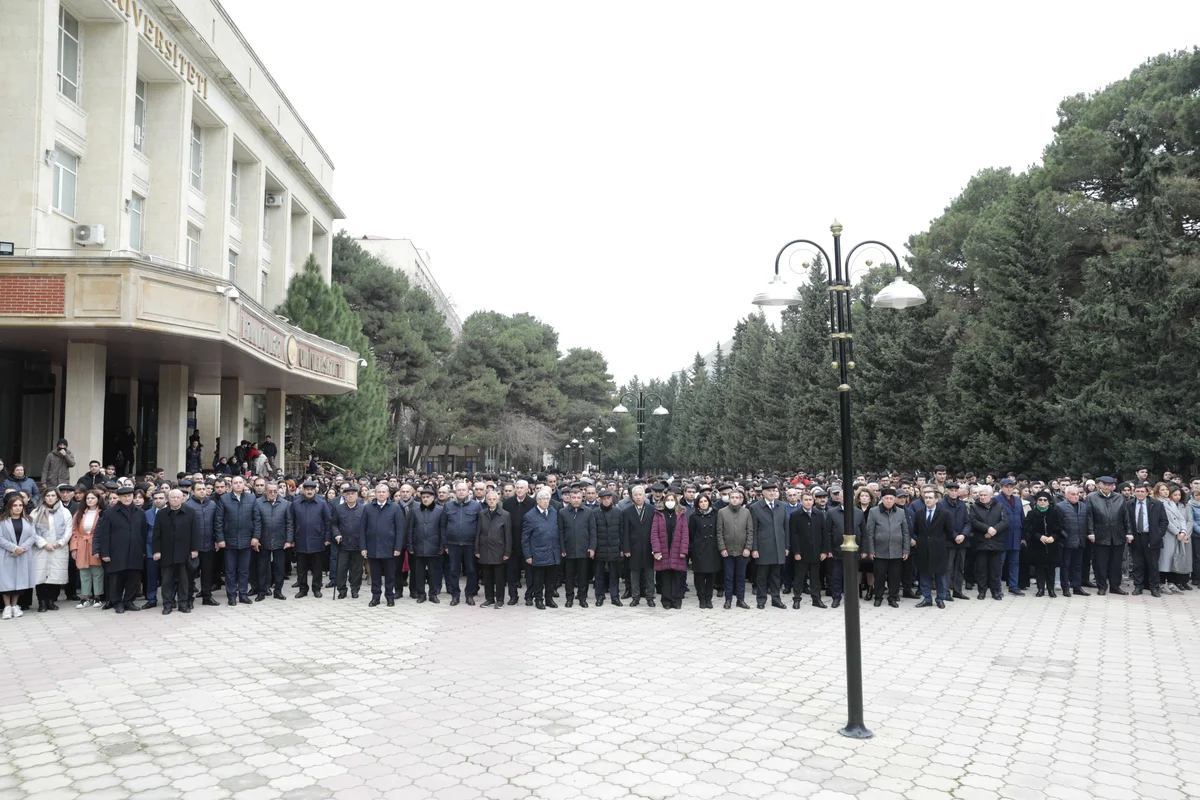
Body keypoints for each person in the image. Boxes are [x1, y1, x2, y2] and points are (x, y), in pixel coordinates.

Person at [94, 486, 148, 614]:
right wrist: (105, 553)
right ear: (119, 497)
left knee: (133, 578)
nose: (127, 498)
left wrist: (143, 549)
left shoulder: (140, 513)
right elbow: (104, 534)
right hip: (116, 552)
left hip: (135, 550)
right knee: (116, 579)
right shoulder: (109, 513)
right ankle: (117, 602)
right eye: (124, 496)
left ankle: (128, 601)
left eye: (129, 496)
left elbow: (143, 532)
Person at [152, 489, 199, 615]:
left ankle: (183, 603)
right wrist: (156, 551)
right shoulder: (161, 514)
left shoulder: (190, 512)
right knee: (166, 581)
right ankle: (167, 604)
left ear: (183, 499)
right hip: (166, 552)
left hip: (184, 553)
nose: (176, 499)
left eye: (179, 497)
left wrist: (194, 549)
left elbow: (195, 532)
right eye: (173, 497)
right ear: (168, 499)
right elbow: (156, 534)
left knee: (184, 580)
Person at [863, 488, 910, 608]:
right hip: (879, 550)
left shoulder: (900, 512)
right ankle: (878, 597)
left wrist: (906, 549)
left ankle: (892, 597)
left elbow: (905, 532)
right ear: (881, 499)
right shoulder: (874, 512)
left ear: (894, 500)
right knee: (879, 576)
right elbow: (869, 532)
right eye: (886, 498)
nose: (889, 501)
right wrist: (871, 550)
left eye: (891, 498)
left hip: (896, 550)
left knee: (895, 576)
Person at [214, 475, 256, 606]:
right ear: (231, 485)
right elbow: (218, 521)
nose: (238, 485)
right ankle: (231, 596)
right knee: (230, 571)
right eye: (235, 483)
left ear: (244, 484)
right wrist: (220, 539)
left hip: (246, 540)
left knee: (244, 570)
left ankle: (243, 595)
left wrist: (255, 537)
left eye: (240, 482)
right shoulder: (224, 499)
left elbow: (257, 520)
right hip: (229, 541)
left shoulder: (251, 498)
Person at [360, 483, 404, 607]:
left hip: (390, 548)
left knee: (390, 575)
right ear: (375, 494)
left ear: (388, 494)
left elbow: (400, 530)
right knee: (375, 575)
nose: (381, 494)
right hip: (372, 547)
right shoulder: (368, 507)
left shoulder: (395, 507)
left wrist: (397, 547)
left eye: (383, 492)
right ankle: (375, 597)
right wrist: (363, 547)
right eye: (378, 492)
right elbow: (362, 529)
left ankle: (390, 596)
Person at [1088, 476, 1132, 595]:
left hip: (1118, 535)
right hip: (1100, 534)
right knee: (1100, 563)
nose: (1107, 487)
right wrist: (1090, 532)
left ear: (1113, 486)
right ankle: (1102, 587)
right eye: (1105, 484)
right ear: (1099, 485)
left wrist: (1129, 532)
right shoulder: (1092, 497)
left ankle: (1115, 586)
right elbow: (1089, 517)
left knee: (1116, 563)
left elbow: (1126, 517)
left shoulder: (1119, 498)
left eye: (1110, 485)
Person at [30, 488, 72, 612]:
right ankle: (42, 602)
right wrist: (43, 544)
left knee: (55, 575)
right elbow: (32, 531)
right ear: (44, 497)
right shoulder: (36, 512)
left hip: (58, 548)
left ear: (57, 497)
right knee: (40, 575)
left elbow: (68, 530)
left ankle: (51, 601)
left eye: (53, 495)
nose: (50, 498)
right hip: (41, 548)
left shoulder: (65, 512)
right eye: (48, 495)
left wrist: (59, 543)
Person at [749, 481, 788, 610]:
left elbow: (785, 527)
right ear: (763, 493)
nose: (772, 493)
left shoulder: (782, 506)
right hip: (763, 547)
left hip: (778, 546)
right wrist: (754, 548)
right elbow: (753, 530)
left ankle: (776, 599)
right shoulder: (755, 507)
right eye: (769, 491)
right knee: (762, 576)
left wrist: (786, 546)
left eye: (774, 491)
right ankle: (761, 599)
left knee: (776, 576)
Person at [443, 480, 481, 606]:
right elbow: (443, 526)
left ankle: (469, 595)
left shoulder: (475, 505)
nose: (461, 492)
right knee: (453, 571)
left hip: (470, 544)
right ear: (455, 491)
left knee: (471, 570)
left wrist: (477, 546)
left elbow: (480, 526)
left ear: (468, 491)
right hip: (453, 544)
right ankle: (455, 595)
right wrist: (445, 544)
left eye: (463, 490)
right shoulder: (448, 506)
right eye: (458, 490)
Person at [913, 487, 953, 608]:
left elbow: (949, 532)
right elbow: (915, 530)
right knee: (924, 574)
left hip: (939, 549)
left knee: (940, 576)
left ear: (936, 500)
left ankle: (940, 598)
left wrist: (938, 542)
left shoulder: (945, 514)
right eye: (926, 498)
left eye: (930, 498)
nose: (928, 500)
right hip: (923, 549)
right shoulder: (919, 513)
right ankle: (927, 598)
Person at [290, 480, 331, 599]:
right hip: (300, 539)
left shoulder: (322, 503)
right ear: (303, 490)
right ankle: (303, 589)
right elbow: (291, 522)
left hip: (317, 539)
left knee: (317, 567)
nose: (309, 491)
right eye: (307, 489)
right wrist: (291, 538)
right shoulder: (296, 503)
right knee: (301, 567)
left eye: (311, 489)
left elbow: (328, 522)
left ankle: (316, 588)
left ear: (315, 490)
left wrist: (327, 538)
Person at [788, 491, 829, 609]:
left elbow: (824, 533)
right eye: (806, 500)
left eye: (810, 500)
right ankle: (796, 599)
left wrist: (824, 551)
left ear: (814, 501)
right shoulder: (795, 515)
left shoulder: (819, 514)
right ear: (801, 501)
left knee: (815, 578)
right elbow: (793, 535)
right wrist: (796, 552)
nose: (808, 502)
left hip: (816, 552)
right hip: (802, 553)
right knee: (799, 578)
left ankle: (816, 599)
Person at [253, 481, 292, 601]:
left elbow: (289, 524)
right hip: (263, 541)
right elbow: (256, 522)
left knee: (279, 568)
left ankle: (278, 591)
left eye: (275, 491)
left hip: (280, 541)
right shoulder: (258, 503)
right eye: (270, 491)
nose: (273, 493)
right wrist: (256, 538)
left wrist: (289, 540)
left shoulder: (286, 504)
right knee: (262, 568)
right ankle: (261, 592)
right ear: (265, 491)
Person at [558, 486, 597, 608]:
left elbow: (592, 531)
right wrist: (562, 548)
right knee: (569, 577)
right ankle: (569, 598)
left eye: (578, 497)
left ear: (582, 498)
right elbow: (560, 532)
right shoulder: (563, 512)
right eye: (573, 497)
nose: (576, 500)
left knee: (583, 576)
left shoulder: (588, 512)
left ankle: (582, 598)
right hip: (568, 550)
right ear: (569, 498)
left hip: (583, 549)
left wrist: (592, 547)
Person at [522, 488, 560, 610]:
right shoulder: (530, 516)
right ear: (537, 501)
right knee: (538, 579)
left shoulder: (553, 512)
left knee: (551, 579)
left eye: (548, 499)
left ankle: (549, 599)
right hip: (538, 553)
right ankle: (538, 599)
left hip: (553, 551)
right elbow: (525, 538)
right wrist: (528, 555)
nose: (546, 502)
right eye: (543, 499)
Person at [650, 490, 689, 609]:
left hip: (677, 550)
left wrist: (683, 551)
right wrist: (656, 550)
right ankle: (666, 601)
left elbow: (685, 534)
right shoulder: (658, 514)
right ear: (664, 501)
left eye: (672, 500)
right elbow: (654, 533)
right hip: (663, 550)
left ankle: (676, 601)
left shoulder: (681, 514)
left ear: (676, 502)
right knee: (665, 577)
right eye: (668, 500)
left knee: (677, 577)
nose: (670, 502)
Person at [716, 486, 754, 609]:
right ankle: (728, 600)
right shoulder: (722, 512)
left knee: (741, 576)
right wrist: (722, 548)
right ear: (728, 499)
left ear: (741, 499)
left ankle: (740, 599)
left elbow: (750, 531)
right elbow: (719, 532)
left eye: (737, 497)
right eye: (732, 497)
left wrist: (748, 547)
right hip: (728, 551)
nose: (734, 500)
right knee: (728, 576)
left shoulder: (746, 512)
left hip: (742, 551)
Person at [407, 486, 447, 603]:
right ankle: (421, 594)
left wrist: (441, 547)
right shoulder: (415, 511)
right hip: (418, 547)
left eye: (428, 497)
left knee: (434, 573)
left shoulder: (440, 510)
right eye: (423, 497)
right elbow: (410, 529)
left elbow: (442, 530)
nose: (425, 499)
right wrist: (410, 545)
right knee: (419, 573)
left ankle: (433, 594)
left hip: (434, 547)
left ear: (433, 498)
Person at [969, 485, 1008, 600]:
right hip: (981, 542)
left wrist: (994, 530)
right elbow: (973, 521)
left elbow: (1005, 521)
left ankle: (995, 591)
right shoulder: (974, 507)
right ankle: (982, 591)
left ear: (991, 496)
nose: (982, 497)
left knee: (995, 569)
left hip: (996, 542)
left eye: (985, 495)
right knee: (981, 569)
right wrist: (987, 529)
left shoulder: (999, 506)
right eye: (981, 495)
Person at [1127, 483, 1166, 597]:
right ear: (1134, 492)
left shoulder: (1156, 504)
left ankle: (1154, 587)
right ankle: (1138, 586)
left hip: (1152, 537)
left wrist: (1158, 535)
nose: (1140, 494)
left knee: (1153, 564)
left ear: (1147, 492)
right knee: (1137, 564)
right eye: (1137, 491)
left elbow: (1164, 521)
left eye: (1142, 491)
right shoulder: (1129, 504)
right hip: (1136, 537)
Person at [1023, 490, 1065, 598]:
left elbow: (1061, 528)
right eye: (1040, 500)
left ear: (1049, 501)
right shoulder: (1031, 513)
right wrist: (1039, 536)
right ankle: (1040, 589)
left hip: (1052, 545)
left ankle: (1051, 589)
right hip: (1037, 545)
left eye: (1045, 500)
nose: (1042, 502)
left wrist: (1054, 537)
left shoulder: (1055, 512)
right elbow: (1028, 529)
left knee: (1051, 568)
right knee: (1039, 567)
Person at [474, 489, 511, 609]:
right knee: (487, 577)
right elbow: (478, 532)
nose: (491, 501)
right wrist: (477, 549)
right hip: (485, 549)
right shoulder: (482, 514)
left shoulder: (505, 515)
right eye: (489, 499)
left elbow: (508, 535)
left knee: (499, 577)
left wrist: (507, 552)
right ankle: (489, 598)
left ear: (498, 500)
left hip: (499, 550)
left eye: (494, 499)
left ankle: (500, 599)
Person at [70, 489, 106, 608]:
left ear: (98, 500)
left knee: (97, 571)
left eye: (93, 498)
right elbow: (74, 532)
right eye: (88, 498)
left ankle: (97, 597)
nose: (90, 500)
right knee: (84, 571)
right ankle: (85, 597)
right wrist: (74, 549)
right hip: (82, 544)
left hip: (95, 544)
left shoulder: (102, 513)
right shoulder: (79, 513)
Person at [1, 493, 35, 619]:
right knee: (6, 582)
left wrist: (22, 549)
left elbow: (33, 536)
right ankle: (7, 607)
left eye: (20, 505)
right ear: (9, 506)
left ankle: (15, 605)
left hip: (22, 555)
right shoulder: (2, 520)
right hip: (7, 554)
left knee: (19, 581)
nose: (18, 508)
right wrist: (14, 548)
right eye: (15, 505)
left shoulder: (28, 520)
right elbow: (0, 538)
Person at [620, 486, 656, 607]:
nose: (638, 497)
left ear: (644, 496)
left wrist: (656, 548)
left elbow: (655, 530)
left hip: (649, 547)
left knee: (649, 574)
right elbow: (624, 532)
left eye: (640, 494)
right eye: (636, 495)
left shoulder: (652, 510)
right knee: (634, 574)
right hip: (633, 548)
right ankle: (635, 597)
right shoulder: (627, 511)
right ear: (632, 497)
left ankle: (650, 597)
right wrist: (626, 548)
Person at [502, 480, 536, 606]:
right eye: (517, 488)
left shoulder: (532, 503)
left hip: (529, 544)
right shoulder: (508, 503)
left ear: (527, 489)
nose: (519, 490)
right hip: (512, 543)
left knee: (530, 573)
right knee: (511, 572)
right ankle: (513, 596)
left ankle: (529, 596)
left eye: (522, 488)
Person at [332, 484, 365, 599]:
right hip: (343, 544)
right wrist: (337, 534)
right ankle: (342, 590)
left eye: (353, 494)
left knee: (357, 569)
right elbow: (334, 524)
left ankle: (355, 589)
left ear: (357, 495)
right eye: (348, 494)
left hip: (357, 544)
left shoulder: (363, 508)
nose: (350, 496)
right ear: (344, 496)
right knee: (341, 569)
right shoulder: (338, 508)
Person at [688, 493, 720, 609]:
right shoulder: (694, 516)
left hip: (712, 548)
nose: (703, 504)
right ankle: (701, 598)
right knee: (700, 576)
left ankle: (708, 598)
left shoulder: (716, 514)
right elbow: (691, 533)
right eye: (701, 502)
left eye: (705, 501)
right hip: (700, 549)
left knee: (711, 576)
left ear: (709, 502)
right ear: (697, 504)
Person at [1056, 485, 1090, 596]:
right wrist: (1063, 536)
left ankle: (1077, 587)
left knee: (1078, 565)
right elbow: (1058, 525)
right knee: (1065, 565)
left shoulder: (1084, 506)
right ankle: (1065, 587)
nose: (1076, 496)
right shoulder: (1060, 506)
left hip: (1080, 540)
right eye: (1073, 494)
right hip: (1066, 541)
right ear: (1066, 495)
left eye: (1077, 494)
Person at [1159, 484, 1192, 593]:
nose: (1165, 492)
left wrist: (1183, 531)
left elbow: (1182, 518)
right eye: (1162, 490)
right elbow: (1166, 521)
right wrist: (1177, 532)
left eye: (1166, 490)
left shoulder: (1172, 503)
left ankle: (1171, 583)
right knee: (1165, 561)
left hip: (1178, 535)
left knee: (1175, 559)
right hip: (1168, 536)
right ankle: (1162, 583)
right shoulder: (1159, 503)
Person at [997, 478, 1026, 596]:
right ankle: (997, 587)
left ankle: (1013, 586)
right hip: (1002, 537)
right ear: (1002, 488)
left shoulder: (1018, 500)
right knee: (999, 563)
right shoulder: (996, 500)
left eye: (1011, 487)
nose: (1009, 489)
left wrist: (1023, 536)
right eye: (1006, 487)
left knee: (1015, 562)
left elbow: (1022, 519)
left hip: (1016, 536)